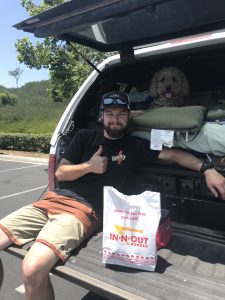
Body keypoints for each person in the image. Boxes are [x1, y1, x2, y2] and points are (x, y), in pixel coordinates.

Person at [0, 91, 225, 300]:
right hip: (50, 201)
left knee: (32, 268)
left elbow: (175, 154)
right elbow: (61, 173)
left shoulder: (135, 146)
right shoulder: (84, 137)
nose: (114, 119)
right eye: (110, 114)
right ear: (102, 116)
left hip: (83, 211)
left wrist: (208, 169)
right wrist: (89, 166)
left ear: (129, 117)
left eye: (120, 114)